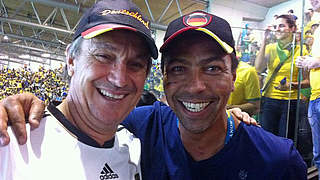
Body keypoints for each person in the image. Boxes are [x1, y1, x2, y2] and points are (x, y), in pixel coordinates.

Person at [0, 11, 306, 179]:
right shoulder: (140, 130)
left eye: (212, 69)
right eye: (179, 69)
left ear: (234, 77)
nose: (196, 86)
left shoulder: (277, 160)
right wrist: (19, 103)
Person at [0, 0, 159, 179]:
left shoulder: (132, 148)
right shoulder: (11, 142)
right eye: (103, 56)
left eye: (135, 64)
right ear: (71, 60)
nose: (119, 79)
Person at [255, 14, 309, 139]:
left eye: (281, 26)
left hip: (292, 102)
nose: (277, 29)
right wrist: (264, 41)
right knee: (267, 139)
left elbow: (308, 81)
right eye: (275, 26)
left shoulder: (301, 51)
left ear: (292, 29)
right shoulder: (269, 48)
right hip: (269, 100)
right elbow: (258, 68)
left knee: (285, 139)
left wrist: (292, 85)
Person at [295, 0, 320, 176]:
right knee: (318, 155)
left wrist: (317, 61)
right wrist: (305, 61)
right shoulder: (318, 32)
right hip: (315, 96)